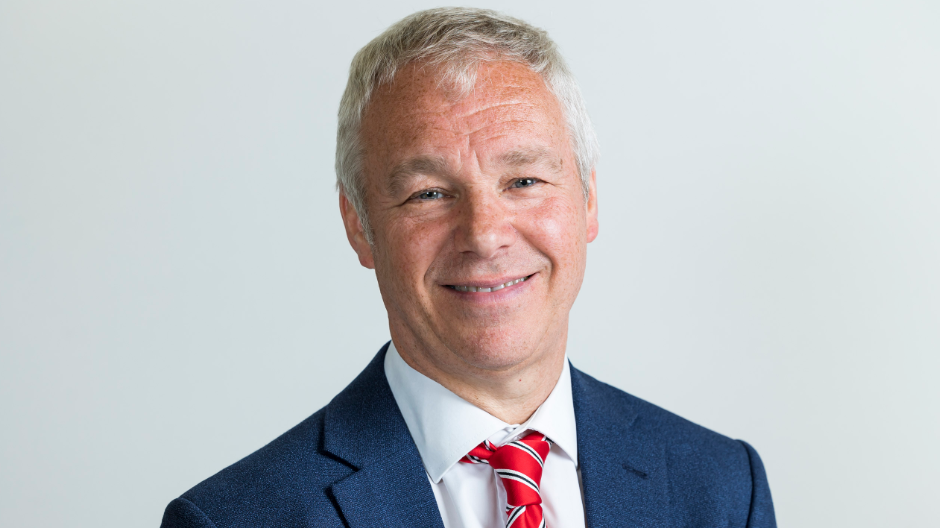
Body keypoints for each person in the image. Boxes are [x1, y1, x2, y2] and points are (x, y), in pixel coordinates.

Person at [161, 7, 776, 528]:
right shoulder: (234, 518)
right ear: (359, 226)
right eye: (429, 193)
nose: (485, 235)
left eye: (525, 180)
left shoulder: (721, 489)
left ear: (589, 200)